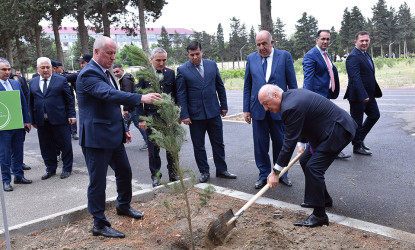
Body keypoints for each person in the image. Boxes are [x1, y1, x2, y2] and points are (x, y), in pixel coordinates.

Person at [76, 36, 162, 238]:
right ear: (96, 52)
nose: (113, 57)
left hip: (113, 135)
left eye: (114, 53)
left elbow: (112, 106)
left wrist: (124, 129)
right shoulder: (89, 74)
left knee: (124, 172)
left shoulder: (106, 72)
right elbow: (109, 95)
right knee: (98, 182)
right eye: (109, 53)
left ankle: (123, 206)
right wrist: (141, 97)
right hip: (96, 138)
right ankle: (99, 223)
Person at [259, 84, 357, 227]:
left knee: (314, 168)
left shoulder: (290, 106)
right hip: (329, 129)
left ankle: (319, 215)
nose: (266, 109)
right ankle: (323, 199)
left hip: (338, 131)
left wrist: (276, 172)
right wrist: (303, 144)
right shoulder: (292, 97)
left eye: (266, 104)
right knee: (306, 160)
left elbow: (288, 142)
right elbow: (304, 121)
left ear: (275, 95)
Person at [243, 30, 298, 189]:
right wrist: (246, 109)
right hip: (258, 110)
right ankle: (263, 174)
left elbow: (292, 85)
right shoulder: (251, 58)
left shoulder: (284, 56)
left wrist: (292, 107)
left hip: (280, 109)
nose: (261, 47)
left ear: (272, 43)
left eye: (264, 43)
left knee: (281, 142)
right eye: (258, 44)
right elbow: (247, 85)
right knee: (260, 144)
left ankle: (282, 173)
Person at [176, 41, 236, 183]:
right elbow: (181, 95)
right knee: (199, 145)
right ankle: (204, 171)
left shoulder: (212, 65)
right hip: (195, 116)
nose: (195, 57)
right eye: (192, 55)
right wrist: (184, 114)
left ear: (201, 52)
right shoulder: (182, 70)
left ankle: (222, 170)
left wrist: (224, 105)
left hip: (213, 112)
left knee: (218, 143)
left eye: (197, 54)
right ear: (188, 55)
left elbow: (219, 86)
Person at [302, 30, 350, 160]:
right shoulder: (311, 56)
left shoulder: (325, 54)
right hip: (316, 99)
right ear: (316, 39)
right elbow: (308, 80)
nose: (325, 42)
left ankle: (328, 151)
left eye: (328, 39)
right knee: (315, 126)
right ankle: (311, 154)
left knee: (327, 125)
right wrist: (308, 100)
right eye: (323, 39)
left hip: (325, 95)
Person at [28, 57, 76, 180]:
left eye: (47, 67)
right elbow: (31, 102)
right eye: (42, 67)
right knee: (46, 146)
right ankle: (50, 169)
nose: (45, 70)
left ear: (52, 68)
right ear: (37, 69)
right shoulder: (33, 82)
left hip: (60, 119)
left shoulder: (61, 80)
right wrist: (32, 120)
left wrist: (72, 114)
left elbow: (69, 99)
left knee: (65, 145)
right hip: (41, 121)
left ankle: (67, 168)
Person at [136, 47, 178, 187]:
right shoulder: (143, 75)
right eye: (158, 60)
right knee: (154, 149)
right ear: (151, 59)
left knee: (171, 147)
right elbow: (137, 98)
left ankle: (173, 174)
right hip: (151, 117)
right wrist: (142, 118)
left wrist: (177, 114)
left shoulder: (170, 74)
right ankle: (156, 177)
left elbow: (175, 96)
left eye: (164, 60)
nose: (161, 63)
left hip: (168, 117)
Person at [344, 31, 382, 155]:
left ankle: (360, 139)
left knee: (374, 115)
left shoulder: (365, 54)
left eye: (367, 40)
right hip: (358, 96)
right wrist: (363, 94)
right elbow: (355, 77)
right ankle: (356, 146)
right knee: (357, 123)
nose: (364, 43)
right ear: (356, 42)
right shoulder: (353, 56)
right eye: (362, 41)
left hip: (369, 95)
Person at [0, 58, 32, 191]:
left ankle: (19, 175)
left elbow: (23, 103)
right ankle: (6, 180)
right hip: (4, 127)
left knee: (18, 151)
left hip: (18, 124)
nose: (7, 72)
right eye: (3, 70)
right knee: (4, 154)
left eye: (8, 69)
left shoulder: (15, 83)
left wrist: (27, 120)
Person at [113, 64, 148, 151]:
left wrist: (125, 109)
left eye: (117, 71)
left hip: (133, 107)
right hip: (132, 106)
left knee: (137, 124)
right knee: (125, 124)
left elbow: (127, 96)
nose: (116, 74)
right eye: (114, 72)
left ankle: (148, 142)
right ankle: (119, 142)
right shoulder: (125, 78)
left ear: (122, 70)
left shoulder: (125, 80)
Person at [63, 53, 93, 141]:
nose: (81, 65)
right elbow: (67, 78)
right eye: (81, 63)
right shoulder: (79, 74)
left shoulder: (91, 73)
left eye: (83, 63)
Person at [9, 71, 31, 170]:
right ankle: (10, 165)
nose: (7, 71)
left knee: (19, 142)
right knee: (6, 145)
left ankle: (18, 163)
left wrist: (27, 116)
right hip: (4, 118)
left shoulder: (17, 80)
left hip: (18, 117)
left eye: (8, 69)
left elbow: (26, 96)